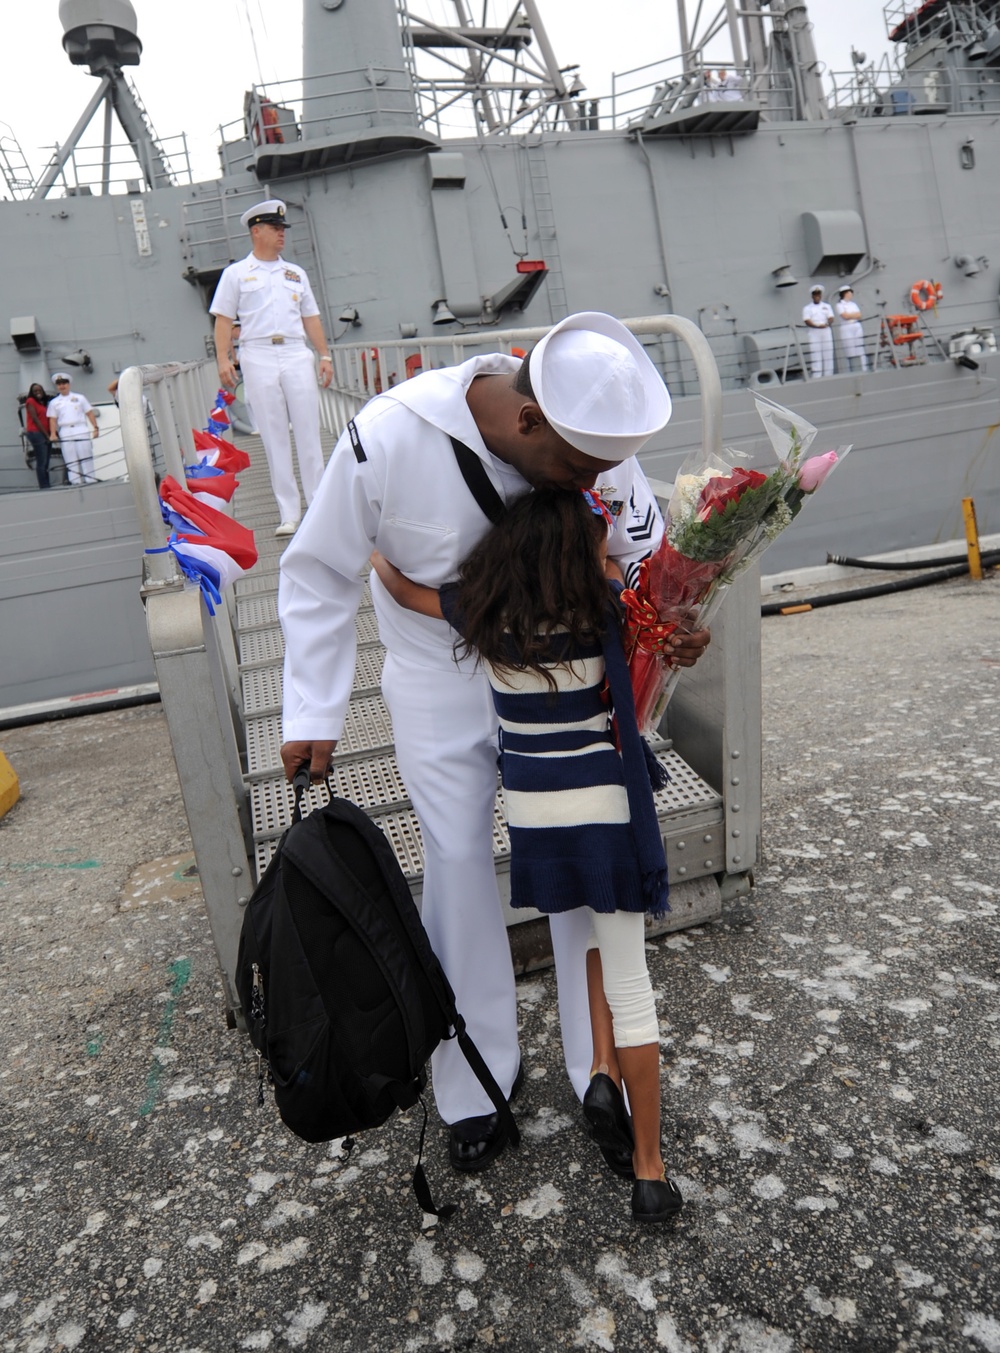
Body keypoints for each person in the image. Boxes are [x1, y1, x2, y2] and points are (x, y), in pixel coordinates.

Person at [277, 311, 711, 1178]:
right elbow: (321, 566)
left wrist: (674, 620)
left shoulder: (590, 441)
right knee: (457, 862)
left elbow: (639, 555)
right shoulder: (389, 438)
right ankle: (476, 1080)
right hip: (441, 676)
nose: (599, 480)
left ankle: (609, 1068)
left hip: (564, 672)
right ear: (526, 421)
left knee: (590, 856)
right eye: (582, 467)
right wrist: (312, 710)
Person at [370, 485, 685, 1223]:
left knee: (596, 945)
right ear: (580, 551)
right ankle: (649, 1167)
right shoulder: (604, 613)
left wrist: (378, 554)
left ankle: (602, 1070)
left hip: (538, 822)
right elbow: (647, 631)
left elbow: (409, 588)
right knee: (632, 980)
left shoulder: (485, 618)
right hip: (605, 815)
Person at [210, 199, 333, 538]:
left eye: (282, 229)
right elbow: (223, 318)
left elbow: (311, 316)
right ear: (256, 231)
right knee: (274, 435)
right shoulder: (235, 275)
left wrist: (324, 355)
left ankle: (319, 504)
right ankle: (289, 513)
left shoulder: (296, 274)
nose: (282, 234)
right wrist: (224, 357)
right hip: (258, 354)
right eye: (276, 229)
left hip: (295, 352)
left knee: (308, 431)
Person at [47, 372, 98, 485]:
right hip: (65, 430)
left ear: (69, 384)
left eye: (64, 383)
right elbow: (52, 419)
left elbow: (89, 413)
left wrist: (95, 428)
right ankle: (75, 482)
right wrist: (53, 433)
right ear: (57, 386)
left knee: (85, 454)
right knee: (70, 457)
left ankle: (90, 479)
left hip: (80, 428)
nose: (62, 386)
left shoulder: (80, 398)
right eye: (59, 384)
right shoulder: (54, 403)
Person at [23, 382, 54, 489]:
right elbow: (35, 419)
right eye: (35, 391)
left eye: (39, 390)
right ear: (31, 393)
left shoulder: (43, 403)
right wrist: (46, 435)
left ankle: (47, 484)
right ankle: (44, 485)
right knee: (42, 460)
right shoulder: (30, 401)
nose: (37, 392)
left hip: (44, 433)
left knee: (46, 460)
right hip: (36, 433)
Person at [802, 285, 835, 379]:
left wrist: (827, 323)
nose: (817, 296)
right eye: (815, 294)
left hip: (826, 331)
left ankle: (829, 374)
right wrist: (817, 326)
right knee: (816, 353)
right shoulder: (807, 308)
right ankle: (817, 375)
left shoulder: (827, 306)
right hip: (814, 331)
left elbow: (831, 317)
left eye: (818, 294)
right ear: (812, 296)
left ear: (821, 295)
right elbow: (807, 320)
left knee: (828, 352)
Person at [836, 285, 869, 372]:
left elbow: (859, 315)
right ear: (845, 293)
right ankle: (854, 369)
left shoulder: (853, 304)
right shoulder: (839, 305)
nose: (851, 294)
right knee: (850, 348)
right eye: (850, 292)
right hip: (846, 327)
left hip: (856, 325)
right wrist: (852, 315)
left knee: (860, 347)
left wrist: (851, 315)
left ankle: (864, 368)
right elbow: (845, 316)